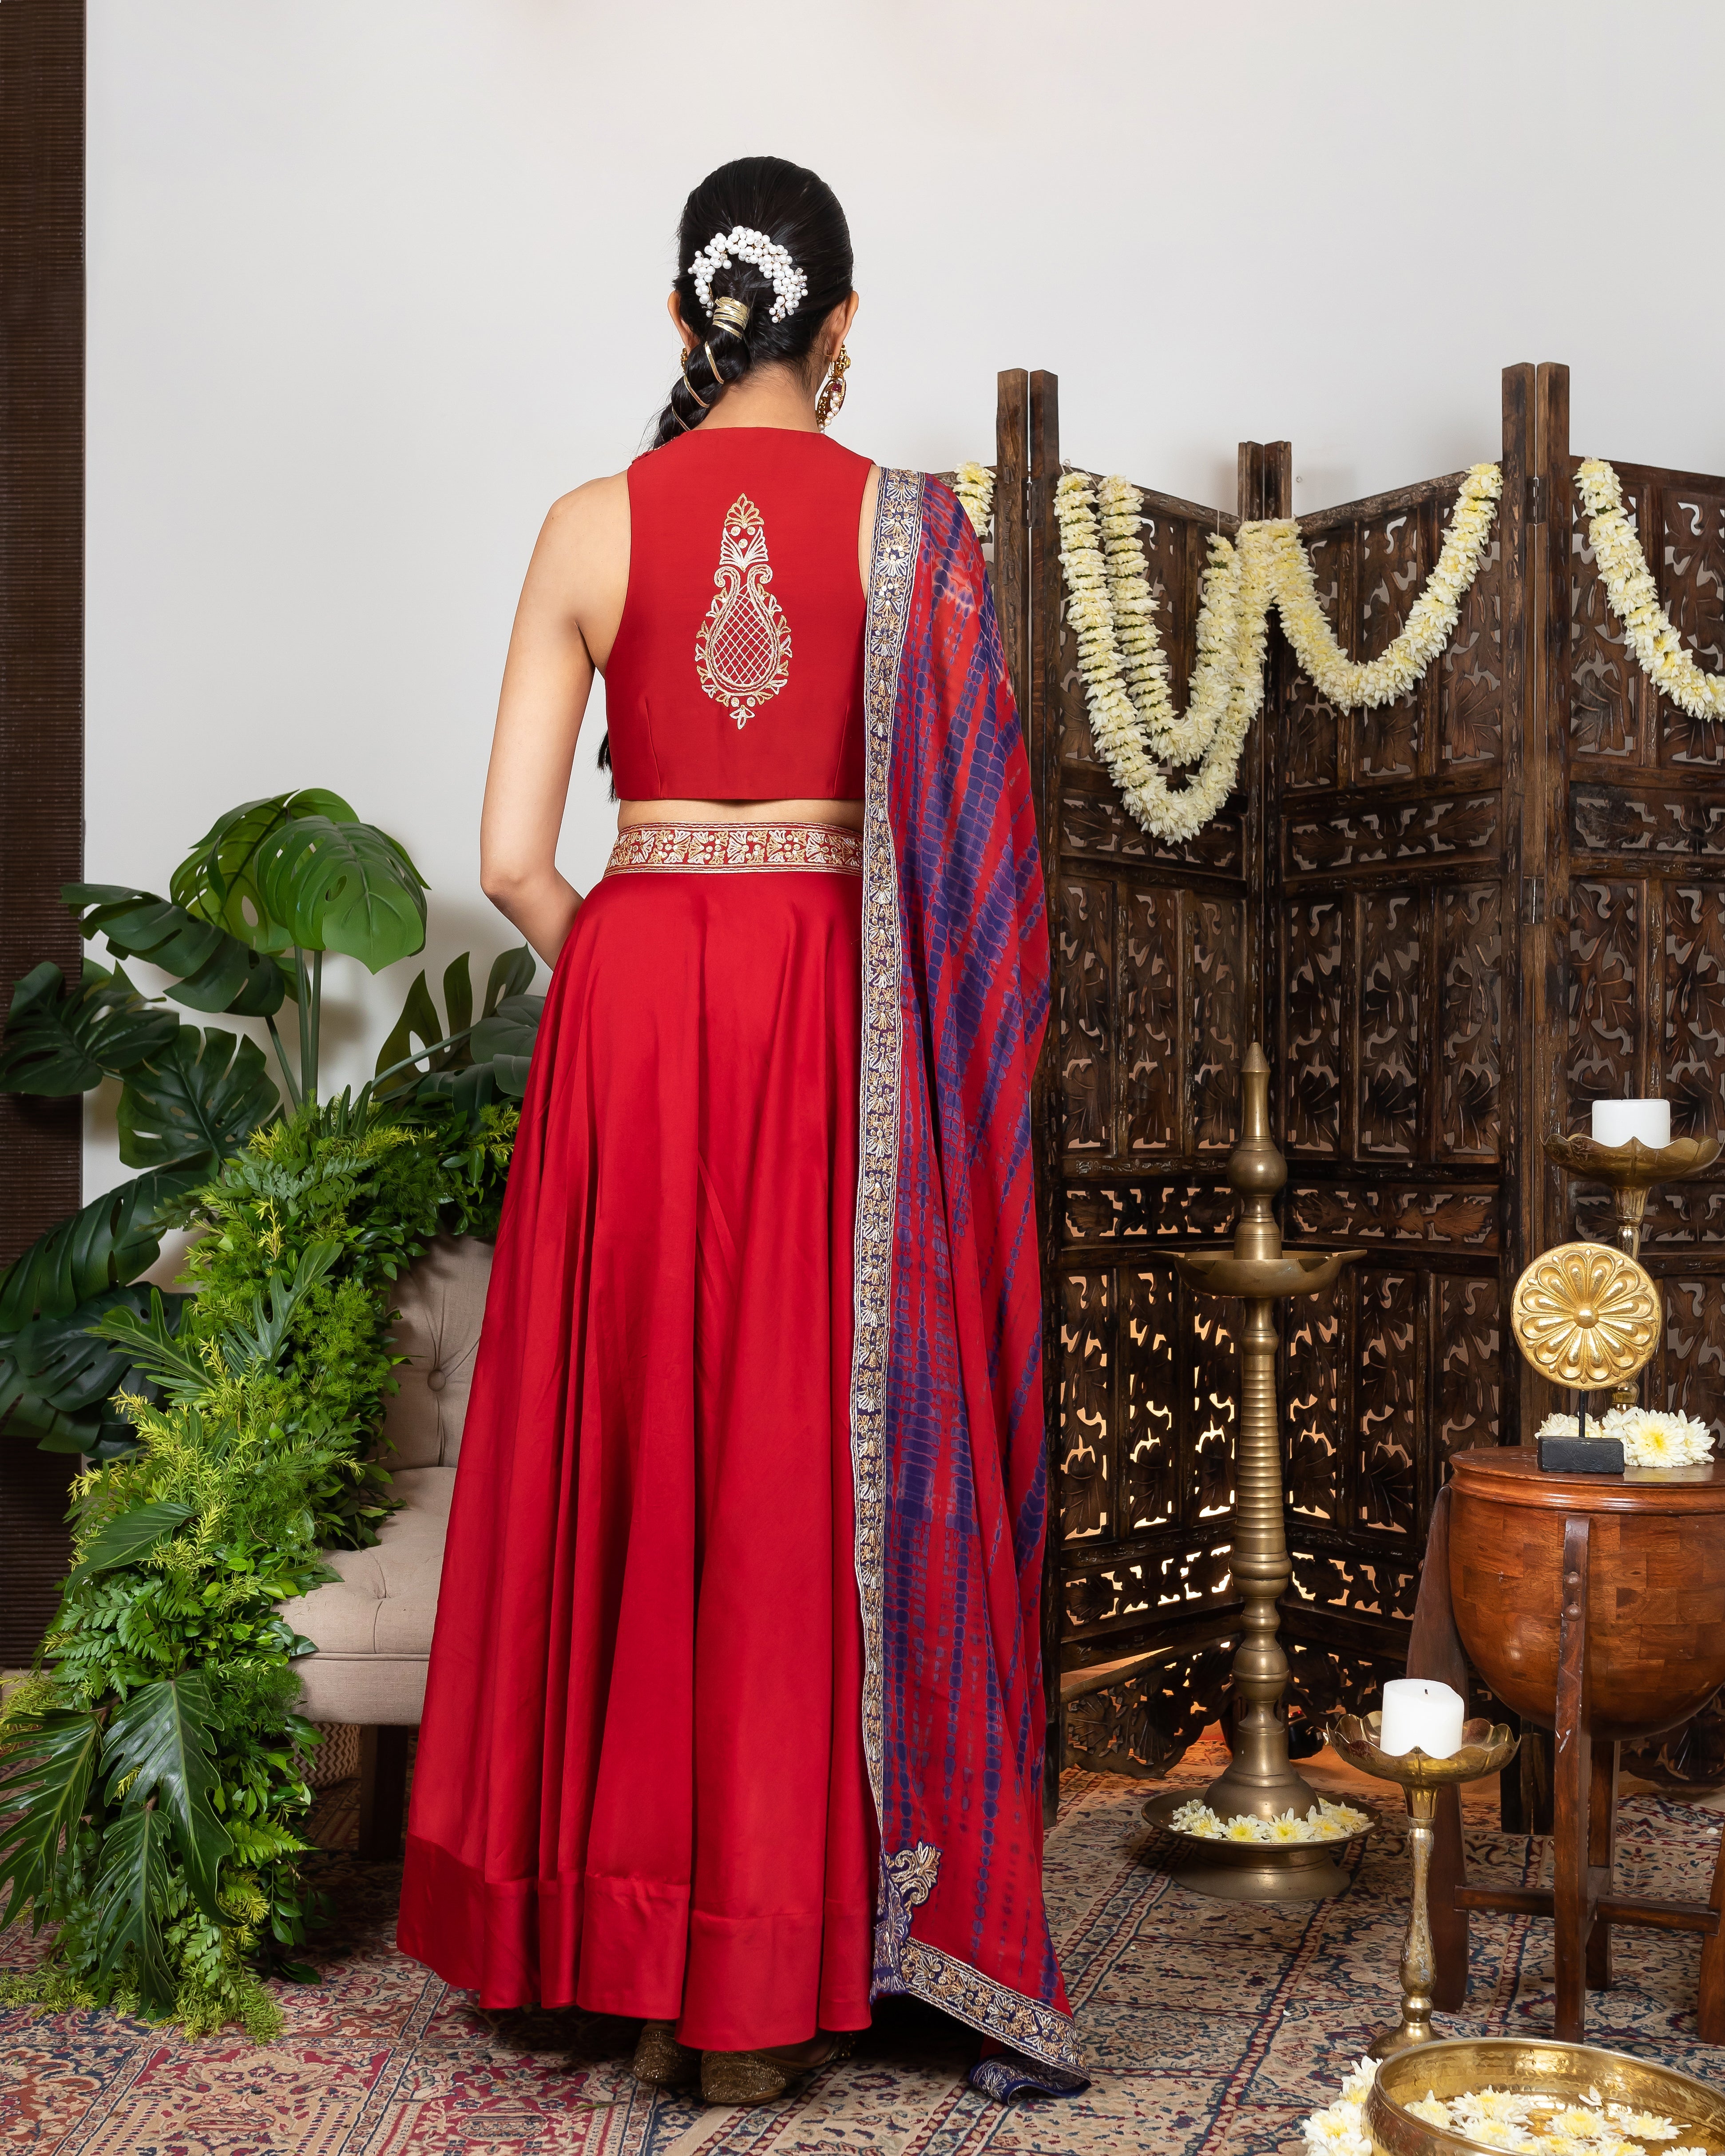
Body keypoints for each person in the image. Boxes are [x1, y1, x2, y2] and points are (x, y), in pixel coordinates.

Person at [396, 155, 1083, 2107]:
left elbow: (511, 857)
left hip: (632, 1008)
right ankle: (771, 1981)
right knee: (798, 1456)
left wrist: (635, 969)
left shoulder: (588, 523)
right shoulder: (909, 531)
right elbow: (983, 885)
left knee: (635, 1444)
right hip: (830, 1012)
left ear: (685, 315)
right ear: (841, 323)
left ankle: (609, 1948)